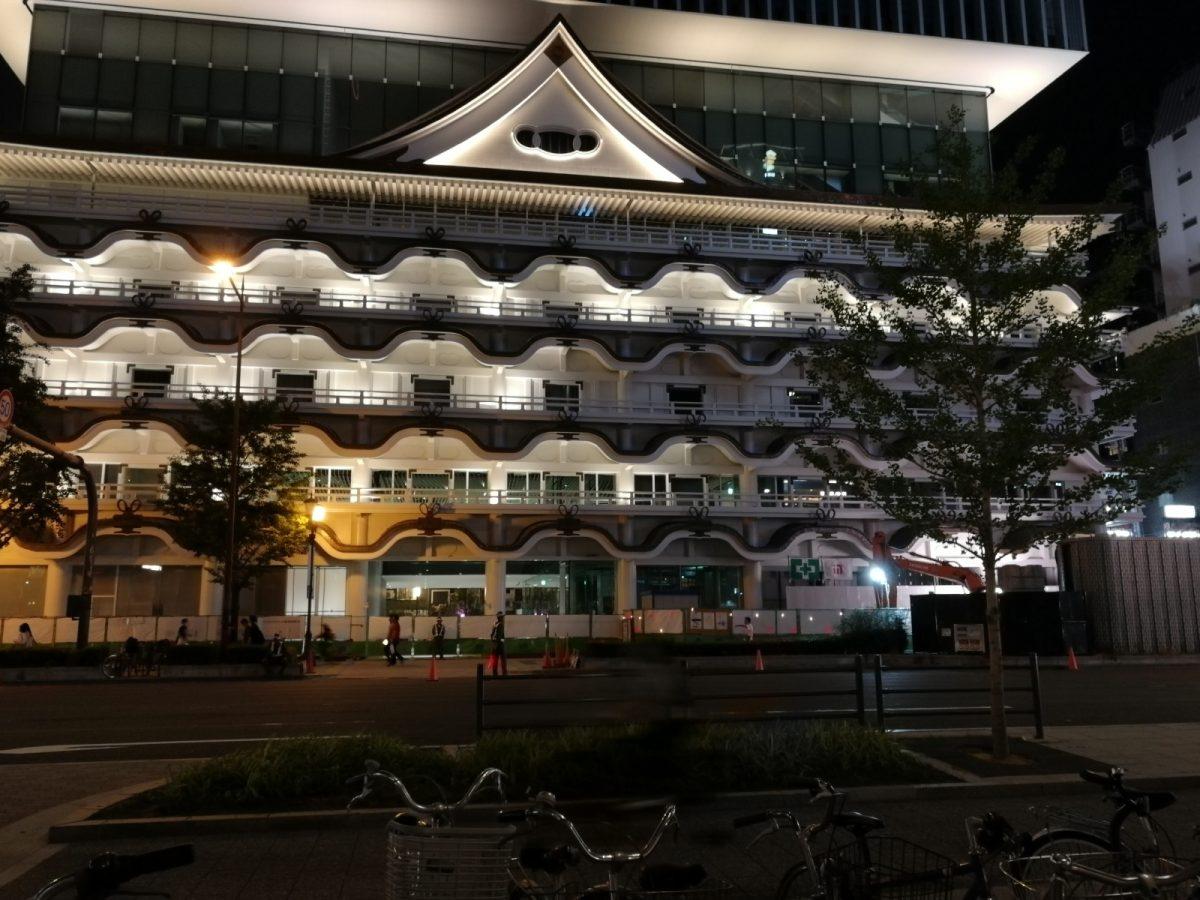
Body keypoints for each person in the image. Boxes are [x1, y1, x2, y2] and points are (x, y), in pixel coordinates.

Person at [488, 611, 507, 676]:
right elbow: (500, 637)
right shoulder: (501, 625)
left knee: (495, 660)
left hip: (494, 645)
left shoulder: (495, 624)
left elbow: (492, 635)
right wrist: (503, 640)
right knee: (503, 660)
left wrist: (493, 642)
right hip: (500, 645)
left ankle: (495, 674)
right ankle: (504, 674)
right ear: (500, 618)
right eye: (502, 617)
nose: (503, 618)